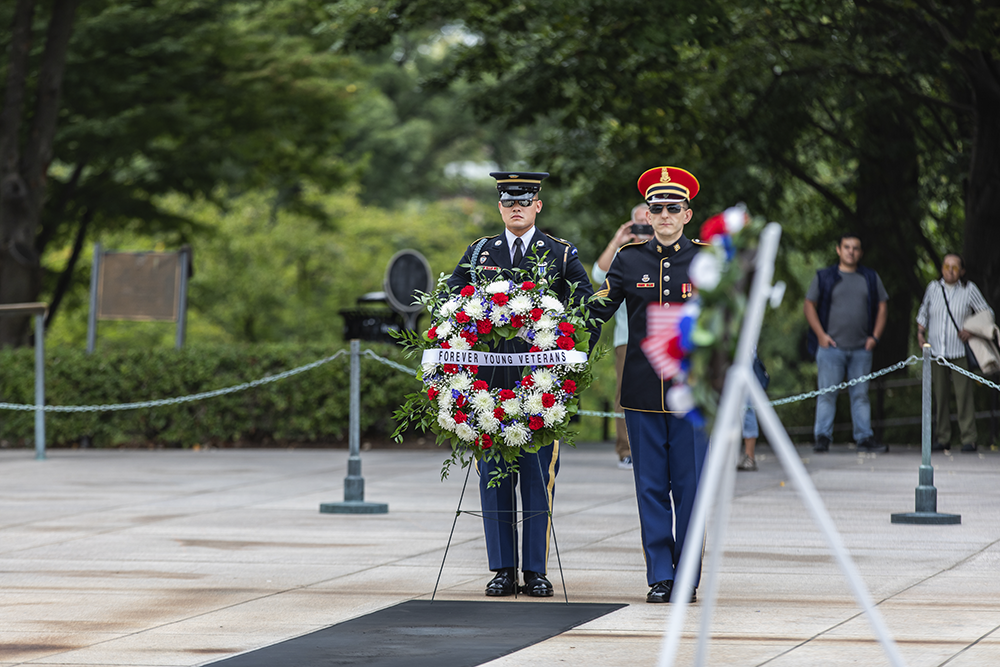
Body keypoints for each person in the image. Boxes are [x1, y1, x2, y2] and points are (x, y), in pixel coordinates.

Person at [446, 171, 594, 598]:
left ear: (538, 206)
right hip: (488, 385)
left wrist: (572, 361)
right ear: (499, 207)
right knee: (493, 477)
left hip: (540, 384)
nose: (516, 207)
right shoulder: (479, 253)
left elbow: (586, 307)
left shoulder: (559, 254)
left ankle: (536, 571)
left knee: (536, 478)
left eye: (524, 200)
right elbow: (450, 303)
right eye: (509, 201)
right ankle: (502, 570)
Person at [590, 166, 708, 604]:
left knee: (691, 488)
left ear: (687, 214)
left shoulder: (707, 261)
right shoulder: (629, 259)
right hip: (641, 392)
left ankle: (688, 577)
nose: (663, 216)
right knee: (650, 488)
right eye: (656, 208)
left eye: (671, 208)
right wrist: (557, 330)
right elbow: (597, 310)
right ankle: (660, 574)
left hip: (692, 393)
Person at [804, 233, 888, 454]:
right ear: (838, 250)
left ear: (860, 252)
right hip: (831, 349)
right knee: (827, 394)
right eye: (847, 247)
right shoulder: (824, 276)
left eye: (856, 248)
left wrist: (875, 337)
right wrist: (821, 335)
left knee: (861, 395)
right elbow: (809, 304)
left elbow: (882, 306)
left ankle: (864, 438)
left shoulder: (870, 277)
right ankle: (822, 437)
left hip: (861, 349)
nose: (851, 251)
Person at [592, 202, 651, 470]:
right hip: (628, 337)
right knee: (624, 393)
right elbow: (599, 273)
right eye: (639, 223)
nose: (644, 227)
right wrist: (618, 240)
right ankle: (625, 449)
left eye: (647, 221)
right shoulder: (625, 254)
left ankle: (653, 448)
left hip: (664, 336)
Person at [916, 253, 993, 452]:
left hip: (958, 351)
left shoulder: (969, 289)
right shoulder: (933, 288)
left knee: (963, 395)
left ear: (962, 271)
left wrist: (972, 329)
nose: (950, 270)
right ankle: (943, 437)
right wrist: (920, 333)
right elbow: (923, 312)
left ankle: (968, 438)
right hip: (936, 350)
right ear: (941, 268)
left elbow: (987, 312)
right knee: (940, 395)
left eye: (955, 267)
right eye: (946, 266)